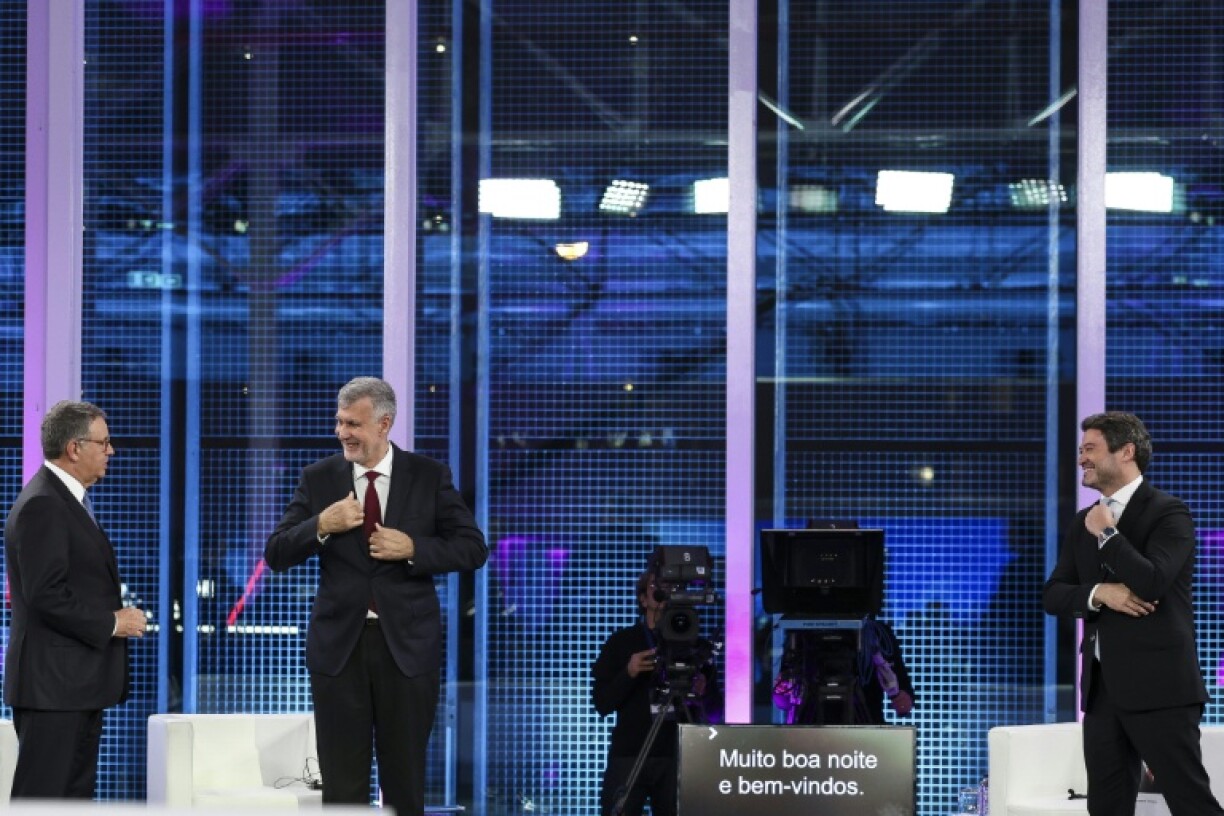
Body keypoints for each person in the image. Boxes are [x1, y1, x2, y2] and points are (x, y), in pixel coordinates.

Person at [265, 377, 487, 816]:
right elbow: (276, 553)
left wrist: (415, 549)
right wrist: (322, 524)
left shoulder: (428, 476)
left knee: (404, 782)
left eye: (353, 423)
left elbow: (473, 547)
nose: (342, 432)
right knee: (342, 785)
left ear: (384, 424)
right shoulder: (319, 478)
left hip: (406, 648)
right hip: (339, 651)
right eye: (339, 421)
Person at [1043, 411, 1223, 816]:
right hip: (1102, 693)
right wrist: (1100, 592)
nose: (1081, 459)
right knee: (1106, 809)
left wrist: (1108, 535)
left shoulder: (1168, 512)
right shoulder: (1082, 522)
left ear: (1127, 451)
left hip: (1162, 691)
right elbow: (1054, 595)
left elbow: (1153, 581)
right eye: (1079, 450)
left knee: (1191, 803)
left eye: (1090, 449)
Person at [2, 400, 146, 799]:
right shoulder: (43, 505)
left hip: (73, 686)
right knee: (44, 797)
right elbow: (45, 594)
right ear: (74, 448)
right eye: (104, 442)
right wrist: (113, 623)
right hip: (53, 687)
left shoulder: (63, 501)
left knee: (72, 798)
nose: (111, 451)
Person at [592, 571, 720, 816]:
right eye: (657, 586)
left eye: (672, 586)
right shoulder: (621, 642)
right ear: (643, 599)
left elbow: (715, 713)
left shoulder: (698, 647)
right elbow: (602, 703)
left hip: (680, 755)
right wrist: (629, 672)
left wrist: (703, 691)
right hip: (630, 754)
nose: (664, 591)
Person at [772, 614, 914, 725]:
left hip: (866, 736)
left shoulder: (876, 635)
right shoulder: (800, 635)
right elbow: (782, 701)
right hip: (810, 734)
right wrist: (783, 691)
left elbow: (904, 706)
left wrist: (895, 692)